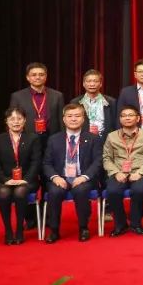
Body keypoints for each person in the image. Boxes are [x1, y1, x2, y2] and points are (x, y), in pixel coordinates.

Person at [42, 103, 102, 243]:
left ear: (83, 119)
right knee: (54, 191)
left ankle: (83, 228)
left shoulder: (93, 138)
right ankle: (54, 230)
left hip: (83, 178)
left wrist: (84, 177)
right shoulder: (54, 139)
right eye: (69, 116)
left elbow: (98, 161)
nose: (73, 119)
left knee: (81, 190)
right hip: (60, 177)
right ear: (64, 119)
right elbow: (46, 163)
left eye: (77, 116)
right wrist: (55, 177)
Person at [102, 105, 143, 236]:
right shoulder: (112, 136)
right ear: (120, 119)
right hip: (118, 172)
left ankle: (135, 224)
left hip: (140, 172)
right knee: (112, 191)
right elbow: (106, 158)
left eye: (130, 115)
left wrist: (140, 173)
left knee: (139, 190)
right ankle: (120, 224)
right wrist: (116, 173)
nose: (127, 118)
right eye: (124, 116)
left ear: (138, 118)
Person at [0, 106, 42, 245]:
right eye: (12, 119)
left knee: (20, 191)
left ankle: (19, 229)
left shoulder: (33, 138)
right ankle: (8, 230)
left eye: (19, 118)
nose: (16, 122)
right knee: (4, 193)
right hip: (4, 179)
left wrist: (26, 179)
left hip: (27, 179)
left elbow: (36, 162)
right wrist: (6, 180)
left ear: (24, 121)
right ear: (6, 121)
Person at [10, 61, 65, 138]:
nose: (38, 77)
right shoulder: (17, 96)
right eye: (34, 75)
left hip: (52, 137)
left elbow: (62, 120)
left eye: (41, 75)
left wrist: (62, 137)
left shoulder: (57, 95)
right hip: (27, 138)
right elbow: (13, 119)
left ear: (46, 77)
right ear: (27, 77)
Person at [75, 69, 116, 139]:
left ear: (101, 84)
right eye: (89, 81)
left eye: (95, 81)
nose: (92, 84)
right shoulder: (76, 102)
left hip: (105, 140)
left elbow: (114, 123)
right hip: (82, 140)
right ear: (83, 84)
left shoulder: (110, 102)